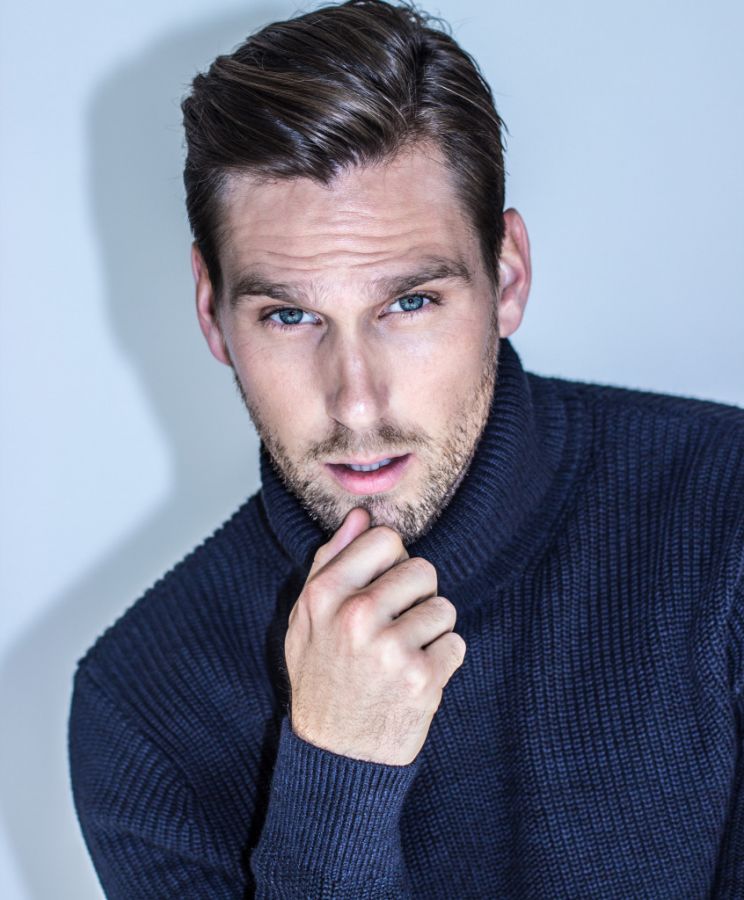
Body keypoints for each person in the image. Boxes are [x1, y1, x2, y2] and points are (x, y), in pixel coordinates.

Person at [68, 0, 744, 896]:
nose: (356, 399)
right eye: (290, 316)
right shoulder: (142, 708)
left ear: (507, 276)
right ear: (212, 313)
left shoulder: (727, 519)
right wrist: (337, 775)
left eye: (409, 304)